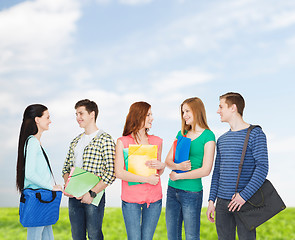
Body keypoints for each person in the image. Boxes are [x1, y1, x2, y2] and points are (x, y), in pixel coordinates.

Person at [206, 92, 269, 240]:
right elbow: (217, 173)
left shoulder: (256, 134)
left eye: (221, 107)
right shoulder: (221, 140)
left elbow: (262, 168)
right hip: (221, 204)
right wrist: (211, 200)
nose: (218, 111)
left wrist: (243, 196)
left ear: (233, 108)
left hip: (245, 203)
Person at [62, 99, 116, 240]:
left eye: (81, 113)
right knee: (77, 236)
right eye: (76, 114)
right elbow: (66, 168)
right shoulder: (75, 141)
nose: (78, 118)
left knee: (94, 235)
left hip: (94, 197)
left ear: (92, 114)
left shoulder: (105, 139)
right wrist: (68, 186)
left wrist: (91, 193)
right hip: (74, 197)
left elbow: (111, 172)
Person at [165, 97, 216, 240]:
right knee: (172, 236)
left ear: (197, 111)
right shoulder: (182, 133)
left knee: (191, 236)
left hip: (192, 193)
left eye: (187, 111)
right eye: (182, 112)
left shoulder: (208, 136)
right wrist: (177, 167)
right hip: (172, 190)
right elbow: (168, 160)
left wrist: (179, 175)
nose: (184, 115)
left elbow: (206, 170)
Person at [115, 101, 165, 240]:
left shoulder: (157, 141)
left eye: (151, 114)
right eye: (148, 115)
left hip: (154, 199)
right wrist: (146, 179)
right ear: (138, 116)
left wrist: (161, 166)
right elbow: (119, 172)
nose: (152, 118)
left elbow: (158, 172)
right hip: (131, 200)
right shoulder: (123, 142)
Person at [16, 104, 62, 240]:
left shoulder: (35, 142)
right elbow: (30, 174)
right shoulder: (33, 142)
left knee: (48, 236)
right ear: (37, 119)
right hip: (38, 199)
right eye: (47, 117)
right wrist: (51, 187)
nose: (50, 121)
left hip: (42, 199)